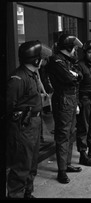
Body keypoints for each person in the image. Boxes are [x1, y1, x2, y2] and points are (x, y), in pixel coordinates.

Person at [6, 40, 52, 198]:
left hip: (33, 124)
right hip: (23, 127)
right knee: (21, 166)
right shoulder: (18, 78)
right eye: (41, 58)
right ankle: (16, 194)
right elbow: (8, 105)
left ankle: (27, 193)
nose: (43, 61)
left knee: (31, 163)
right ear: (36, 60)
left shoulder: (32, 75)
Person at [47, 34, 83, 184]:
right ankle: (62, 170)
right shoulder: (57, 60)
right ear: (69, 47)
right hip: (63, 99)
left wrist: (76, 75)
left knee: (70, 132)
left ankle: (67, 164)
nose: (75, 50)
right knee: (63, 134)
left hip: (71, 98)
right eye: (74, 48)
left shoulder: (66, 60)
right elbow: (70, 78)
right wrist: (75, 75)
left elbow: (79, 76)